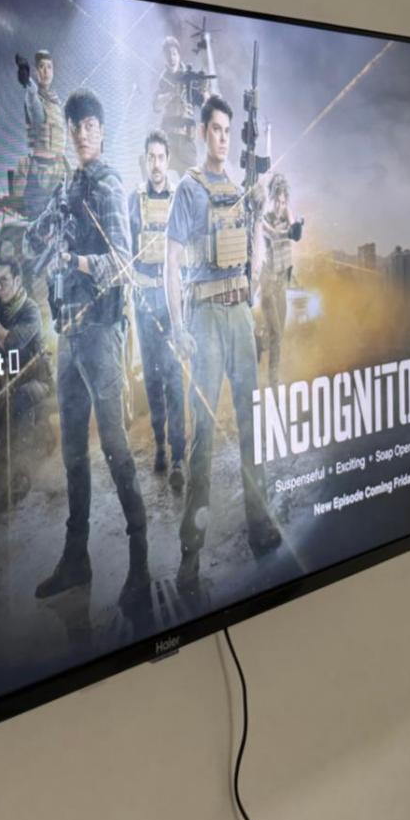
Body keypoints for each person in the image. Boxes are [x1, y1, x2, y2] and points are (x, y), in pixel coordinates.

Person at [24, 88, 148, 601]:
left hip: (99, 332)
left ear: (101, 131)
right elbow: (30, 240)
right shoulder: (67, 188)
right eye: (74, 126)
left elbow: (123, 263)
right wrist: (45, 229)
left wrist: (75, 260)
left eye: (89, 125)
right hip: (69, 336)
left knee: (115, 445)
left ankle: (140, 563)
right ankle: (77, 560)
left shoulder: (108, 186)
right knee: (73, 451)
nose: (80, 134)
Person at [164, 94, 280, 589]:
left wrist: (258, 219)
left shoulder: (238, 189)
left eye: (227, 131)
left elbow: (254, 262)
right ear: (201, 132)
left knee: (253, 425)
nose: (222, 138)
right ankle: (191, 554)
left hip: (238, 316)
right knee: (204, 441)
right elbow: (171, 262)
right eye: (215, 129)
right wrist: (178, 326)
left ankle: (260, 525)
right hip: (206, 318)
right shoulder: (188, 190)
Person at [128, 129, 186, 488]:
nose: (156, 164)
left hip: (171, 300)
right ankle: (161, 445)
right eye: (150, 157)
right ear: (145, 161)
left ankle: (178, 455)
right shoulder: (134, 201)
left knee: (174, 377)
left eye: (161, 157)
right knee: (151, 378)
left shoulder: (179, 200)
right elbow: (126, 248)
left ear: (168, 160)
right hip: (145, 302)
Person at [0, 260, 52, 427]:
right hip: (8, 380)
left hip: (37, 381)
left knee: (19, 398)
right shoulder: (0, 307)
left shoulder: (30, 310)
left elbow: (11, 343)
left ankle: (24, 443)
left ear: (17, 281)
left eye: (3, 281)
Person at [259, 173, 304, 386]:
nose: (280, 206)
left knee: (279, 335)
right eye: (277, 201)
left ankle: (262, 340)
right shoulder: (263, 219)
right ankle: (273, 381)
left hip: (281, 286)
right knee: (276, 334)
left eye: (283, 202)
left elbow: (294, 225)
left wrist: (296, 226)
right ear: (271, 199)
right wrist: (291, 233)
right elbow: (275, 235)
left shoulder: (286, 212)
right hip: (268, 286)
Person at [15, 50, 69, 220]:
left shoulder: (55, 102)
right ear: (36, 71)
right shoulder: (33, 97)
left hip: (57, 171)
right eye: (41, 67)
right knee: (37, 222)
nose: (46, 72)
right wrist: (27, 81)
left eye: (49, 67)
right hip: (40, 172)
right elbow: (35, 109)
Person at [153, 36, 209, 178]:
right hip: (168, 142)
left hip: (186, 142)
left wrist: (204, 90)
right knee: (158, 179)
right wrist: (171, 93)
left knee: (191, 182)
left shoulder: (189, 78)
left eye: (174, 54)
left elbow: (204, 103)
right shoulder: (163, 79)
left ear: (179, 55)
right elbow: (156, 105)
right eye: (168, 54)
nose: (171, 58)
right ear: (164, 57)